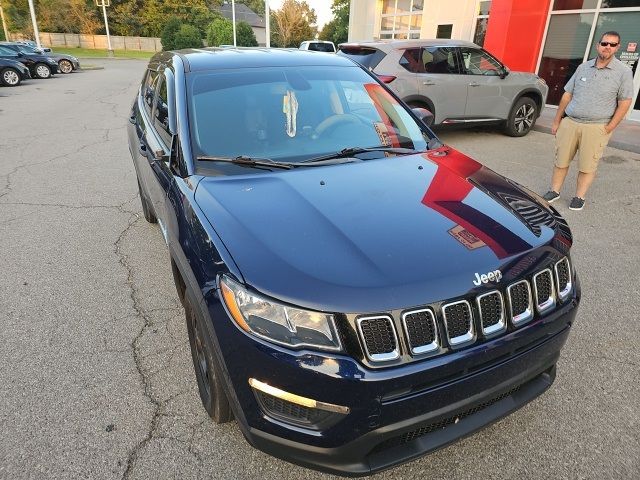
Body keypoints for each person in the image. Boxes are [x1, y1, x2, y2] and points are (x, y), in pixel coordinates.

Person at [542, 31, 634, 211]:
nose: (608, 47)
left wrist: (610, 127)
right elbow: (567, 94)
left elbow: (625, 103)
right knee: (560, 160)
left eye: (612, 44)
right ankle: (555, 190)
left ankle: (579, 196)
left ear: (617, 48)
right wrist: (557, 120)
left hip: (596, 127)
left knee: (587, 165)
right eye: (605, 43)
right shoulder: (583, 67)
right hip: (570, 122)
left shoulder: (623, 72)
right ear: (597, 45)